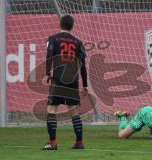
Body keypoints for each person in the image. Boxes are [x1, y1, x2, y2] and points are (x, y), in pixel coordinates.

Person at [42, 15, 88, 150]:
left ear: (60, 24)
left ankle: (52, 142)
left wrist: (47, 72)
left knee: (51, 109)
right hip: (72, 80)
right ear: (72, 26)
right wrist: (85, 85)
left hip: (58, 79)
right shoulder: (78, 42)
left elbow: (49, 56)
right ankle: (79, 142)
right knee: (74, 111)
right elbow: (83, 65)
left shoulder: (53, 39)